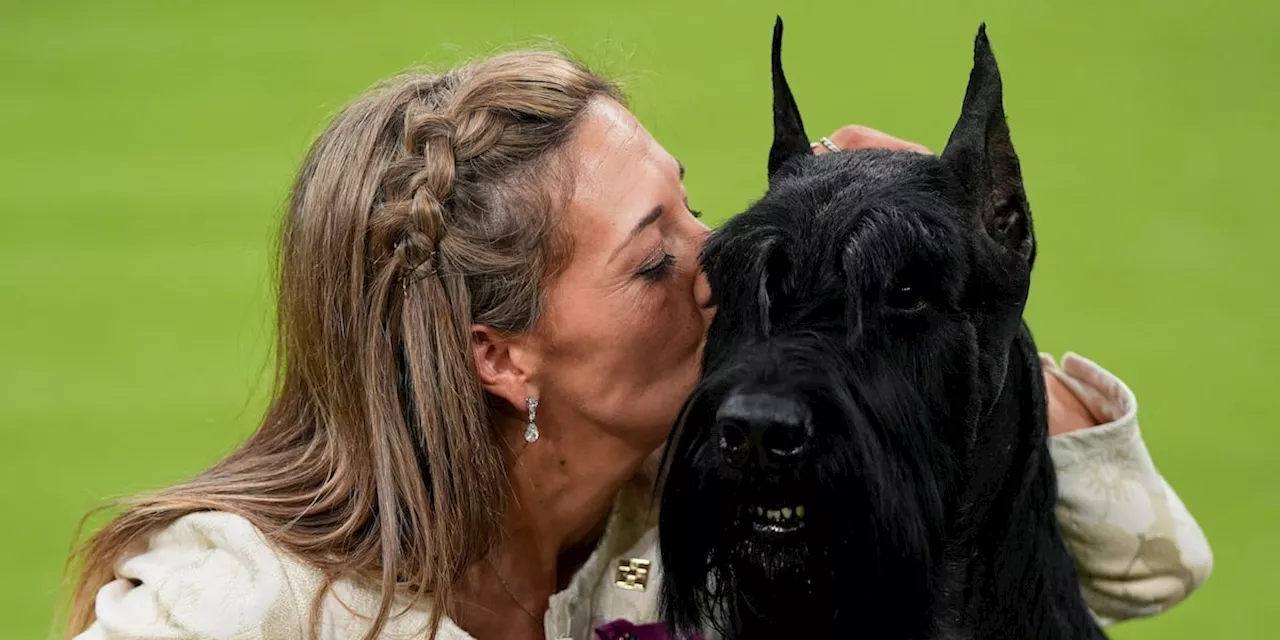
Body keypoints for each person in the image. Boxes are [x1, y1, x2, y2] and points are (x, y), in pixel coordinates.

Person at [68, 50, 1212, 640]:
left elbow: (1140, 561)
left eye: (697, 207)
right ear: (499, 356)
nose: (721, 267)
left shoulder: (723, 494)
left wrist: (952, 278)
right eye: (654, 257)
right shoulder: (229, 604)